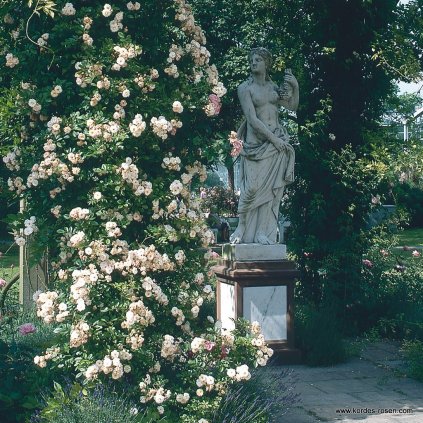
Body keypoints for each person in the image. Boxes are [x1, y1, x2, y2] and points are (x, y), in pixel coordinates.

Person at [230, 48, 299, 244]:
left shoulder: (274, 88)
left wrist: (295, 87)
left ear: (266, 63)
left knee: (271, 192)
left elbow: (292, 106)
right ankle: (242, 228)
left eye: (258, 59)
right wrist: (274, 140)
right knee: (251, 189)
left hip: (275, 144)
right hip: (256, 146)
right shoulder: (245, 88)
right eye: (252, 59)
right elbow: (252, 119)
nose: (254, 62)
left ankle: (263, 232)